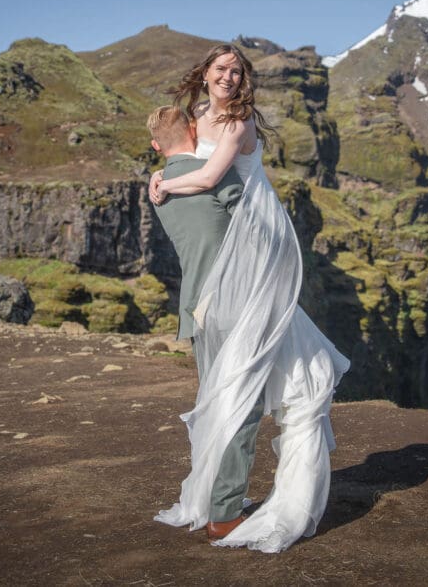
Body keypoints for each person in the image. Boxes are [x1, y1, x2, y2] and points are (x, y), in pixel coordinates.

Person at [151, 44, 351, 553]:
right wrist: (163, 172)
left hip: (250, 249)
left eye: (237, 71)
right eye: (221, 68)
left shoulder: (238, 124)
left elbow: (208, 177)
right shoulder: (197, 116)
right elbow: (185, 160)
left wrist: (164, 182)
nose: (229, 76)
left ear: (244, 80)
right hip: (223, 266)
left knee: (242, 384)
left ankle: (221, 505)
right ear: (205, 73)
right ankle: (222, 508)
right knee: (236, 388)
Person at [146, 106, 265, 541]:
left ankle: (213, 496)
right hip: (232, 302)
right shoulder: (214, 175)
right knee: (244, 403)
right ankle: (225, 512)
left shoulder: (159, 191)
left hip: (195, 308)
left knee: (215, 400)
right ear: (194, 130)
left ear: (156, 145)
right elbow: (254, 226)